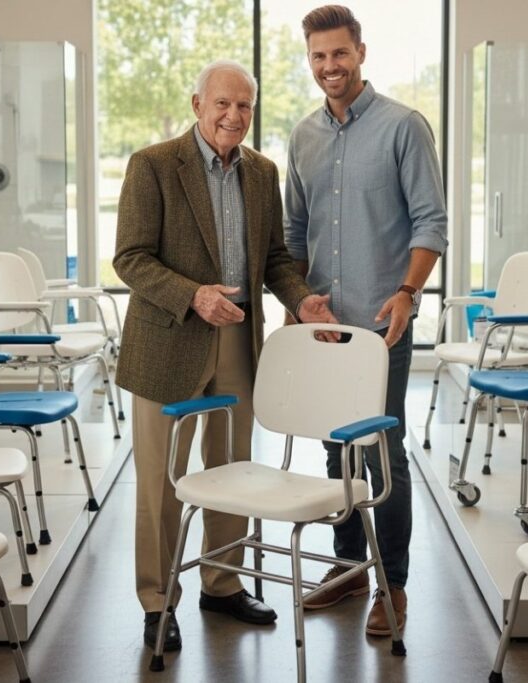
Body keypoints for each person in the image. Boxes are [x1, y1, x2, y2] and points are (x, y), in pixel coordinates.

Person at [114, 59, 337, 652]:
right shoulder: (153, 166)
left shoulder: (262, 173)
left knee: (232, 469)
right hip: (168, 340)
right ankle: (157, 597)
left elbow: (273, 260)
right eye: (222, 104)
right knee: (162, 482)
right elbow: (131, 258)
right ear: (197, 105)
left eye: (244, 106)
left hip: (238, 339)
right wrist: (194, 295)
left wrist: (300, 300)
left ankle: (221, 582)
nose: (233, 116)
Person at [284, 5, 448, 637]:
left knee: (383, 456)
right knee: (335, 453)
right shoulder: (303, 136)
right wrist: (297, 304)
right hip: (325, 326)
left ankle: (394, 585)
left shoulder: (405, 127)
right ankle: (349, 565)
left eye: (340, 53)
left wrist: (408, 292)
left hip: (385, 326)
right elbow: (295, 231)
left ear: (361, 52)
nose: (330, 66)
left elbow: (431, 221)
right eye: (319, 56)